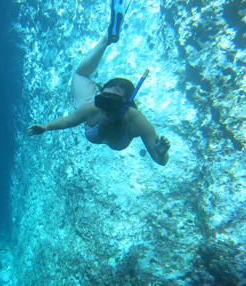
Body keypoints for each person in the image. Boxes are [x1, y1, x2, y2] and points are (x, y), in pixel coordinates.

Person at [27, 0, 170, 166]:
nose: (105, 107)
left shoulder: (137, 121)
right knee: (80, 74)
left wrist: (161, 153)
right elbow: (68, 121)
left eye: (113, 102)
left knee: (80, 74)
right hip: (88, 105)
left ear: (126, 104)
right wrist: (45, 127)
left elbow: (162, 161)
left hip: (108, 130)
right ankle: (108, 38)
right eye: (103, 98)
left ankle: (109, 38)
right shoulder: (93, 108)